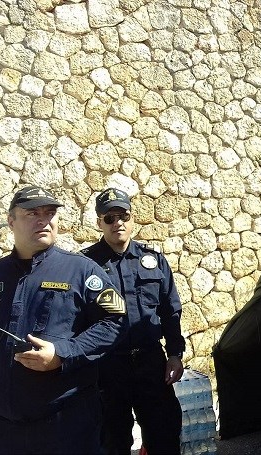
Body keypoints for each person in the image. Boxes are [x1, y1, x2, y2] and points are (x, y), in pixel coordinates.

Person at [0, 185, 127, 455]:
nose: (43, 220)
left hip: (67, 428)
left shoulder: (82, 270)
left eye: (50, 213)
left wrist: (62, 353)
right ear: (11, 221)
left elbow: (115, 322)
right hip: (2, 431)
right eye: (32, 213)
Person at [81, 188, 184, 455]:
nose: (118, 223)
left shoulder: (153, 260)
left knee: (164, 435)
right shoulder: (85, 265)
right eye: (109, 218)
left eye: (123, 216)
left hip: (151, 363)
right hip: (108, 368)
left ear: (132, 218)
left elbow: (170, 310)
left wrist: (175, 354)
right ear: (99, 223)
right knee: (112, 442)